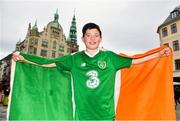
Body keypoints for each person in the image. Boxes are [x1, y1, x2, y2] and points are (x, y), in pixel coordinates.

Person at [13, 23, 170, 120]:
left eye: (96, 35)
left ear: (100, 38)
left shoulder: (110, 57)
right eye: (88, 35)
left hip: (106, 116)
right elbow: (50, 63)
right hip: (82, 116)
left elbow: (135, 61)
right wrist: (24, 59)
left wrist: (158, 54)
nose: (92, 38)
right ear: (83, 39)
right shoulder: (74, 58)